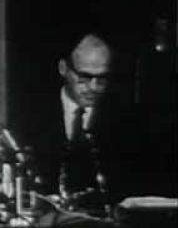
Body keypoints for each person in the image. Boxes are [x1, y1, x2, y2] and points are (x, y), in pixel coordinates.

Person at [16, 32, 138, 205]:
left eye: (102, 79)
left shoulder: (125, 120)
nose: (94, 87)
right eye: (85, 77)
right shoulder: (30, 116)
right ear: (63, 68)